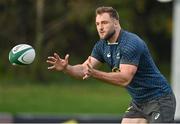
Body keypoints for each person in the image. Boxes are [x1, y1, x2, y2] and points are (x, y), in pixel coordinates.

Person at [46, 6, 176, 123]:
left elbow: (124, 79)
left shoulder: (130, 43)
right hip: (139, 101)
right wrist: (66, 68)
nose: (100, 27)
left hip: (159, 98)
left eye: (104, 22)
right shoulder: (101, 46)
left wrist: (94, 73)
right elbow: (84, 69)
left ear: (116, 23)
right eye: (97, 24)